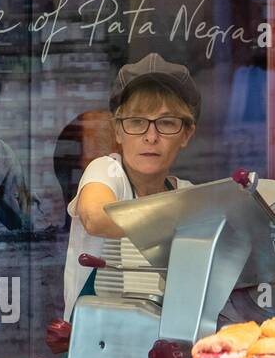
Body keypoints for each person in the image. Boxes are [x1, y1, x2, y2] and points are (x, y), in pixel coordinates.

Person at [62, 53, 201, 321]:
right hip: (93, 344)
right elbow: (95, 217)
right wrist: (186, 224)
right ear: (118, 132)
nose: (151, 136)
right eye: (137, 122)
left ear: (186, 134)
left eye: (167, 123)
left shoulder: (186, 192)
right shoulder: (107, 172)